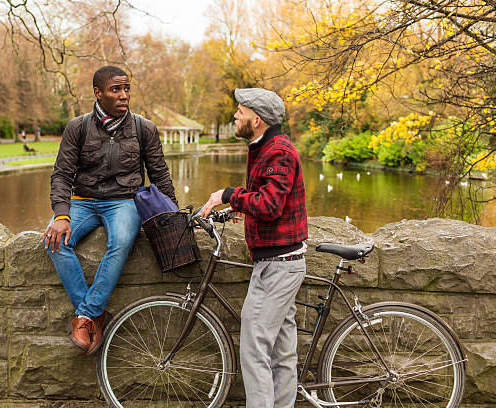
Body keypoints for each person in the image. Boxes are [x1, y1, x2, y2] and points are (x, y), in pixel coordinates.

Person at [42, 65, 177, 356]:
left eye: (127, 88)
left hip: (124, 201)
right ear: (98, 93)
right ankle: (94, 315)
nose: (124, 95)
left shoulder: (144, 128)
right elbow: (62, 175)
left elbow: (160, 176)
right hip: (82, 200)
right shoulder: (77, 127)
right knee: (53, 240)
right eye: (116, 89)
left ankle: (85, 316)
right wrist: (62, 214)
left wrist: (174, 216)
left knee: (123, 241)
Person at [202, 88, 308, 408]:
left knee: (254, 350)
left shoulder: (279, 151)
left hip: (278, 265)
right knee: (282, 352)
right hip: (279, 261)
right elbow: (263, 197)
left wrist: (230, 194)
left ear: (256, 119)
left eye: (240, 111)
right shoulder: (265, 146)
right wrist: (242, 206)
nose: (235, 116)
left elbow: (271, 204)